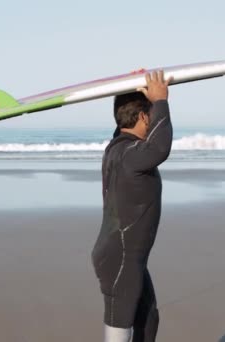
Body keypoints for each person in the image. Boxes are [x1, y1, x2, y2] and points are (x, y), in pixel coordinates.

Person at [92, 70, 173, 342]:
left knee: (148, 319)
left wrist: (133, 88)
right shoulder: (132, 155)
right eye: (151, 115)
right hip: (121, 259)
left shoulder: (117, 148)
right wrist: (160, 100)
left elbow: (127, 123)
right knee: (119, 329)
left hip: (124, 257)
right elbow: (160, 148)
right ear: (143, 117)